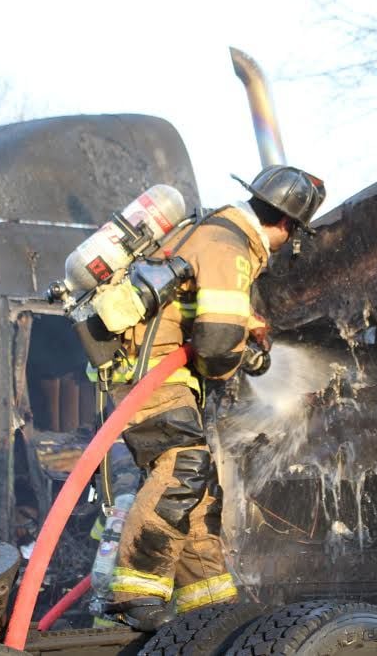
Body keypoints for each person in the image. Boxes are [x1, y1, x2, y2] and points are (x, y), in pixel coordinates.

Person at [105, 165, 325, 629]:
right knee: (184, 466)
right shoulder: (232, 248)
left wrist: (249, 328)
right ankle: (135, 590)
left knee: (199, 489)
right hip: (153, 375)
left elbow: (209, 309)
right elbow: (217, 345)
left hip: (155, 372)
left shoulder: (215, 232)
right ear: (285, 225)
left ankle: (209, 608)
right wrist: (241, 359)